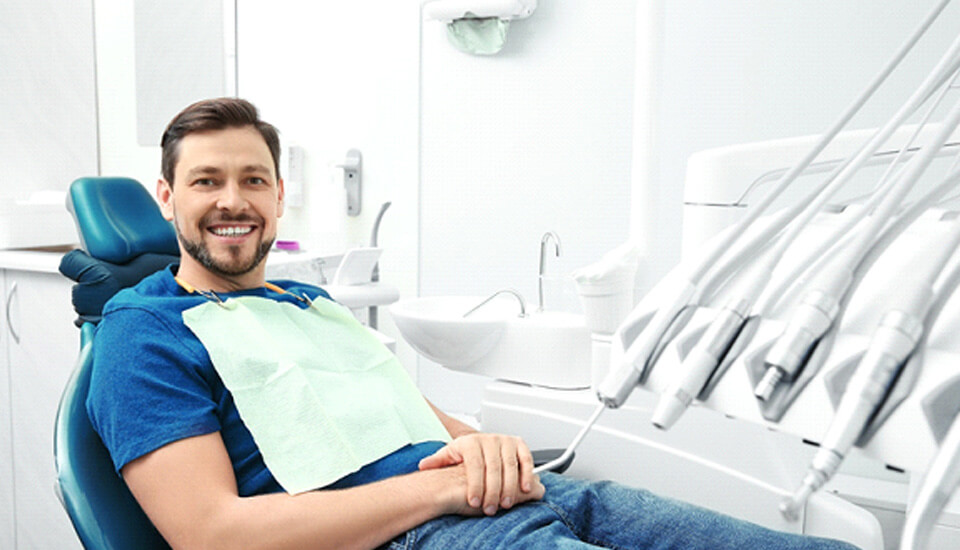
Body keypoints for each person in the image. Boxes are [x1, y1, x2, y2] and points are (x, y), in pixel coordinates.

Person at [87, 97, 858, 550]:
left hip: (525, 498)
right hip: (419, 535)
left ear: (280, 197)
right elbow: (213, 535)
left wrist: (485, 448)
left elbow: (424, 426)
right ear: (166, 198)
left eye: (252, 179)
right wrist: (444, 495)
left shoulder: (311, 307)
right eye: (206, 181)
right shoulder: (142, 332)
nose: (232, 201)